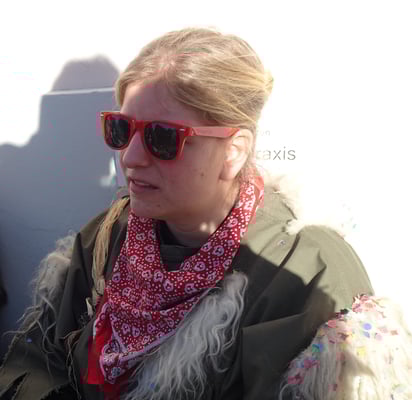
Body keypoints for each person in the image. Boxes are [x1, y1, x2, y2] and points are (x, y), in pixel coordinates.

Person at [0, 26, 376, 399]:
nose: (130, 157)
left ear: (233, 151)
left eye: (163, 137)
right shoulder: (108, 236)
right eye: (121, 129)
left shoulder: (305, 273)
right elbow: (39, 361)